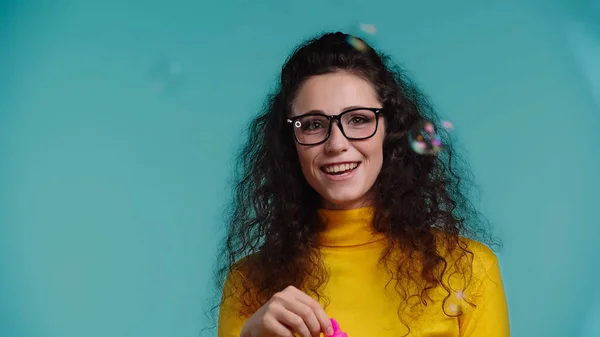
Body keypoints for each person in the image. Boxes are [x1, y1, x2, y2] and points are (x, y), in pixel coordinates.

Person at [214, 32, 510, 337]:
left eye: (358, 119)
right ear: (290, 143)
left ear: (390, 130)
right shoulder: (248, 282)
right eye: (314, 124)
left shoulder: (467, 269)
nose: (336, 144)